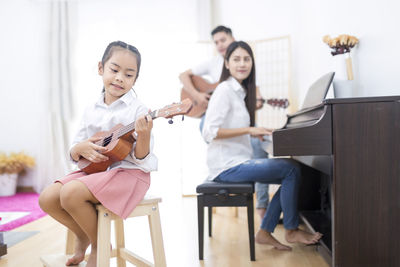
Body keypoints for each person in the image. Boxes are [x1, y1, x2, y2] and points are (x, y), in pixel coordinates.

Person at [38, 41, 157, 267]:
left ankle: (99, 245)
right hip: (97, 171)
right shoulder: (91, 109)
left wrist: (144, 135)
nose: (120, 78)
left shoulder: (138, 110)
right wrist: (79, 148)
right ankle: (82, 233)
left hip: (129, 174)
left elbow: (142, 159)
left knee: (71, 193)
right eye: (114, 70)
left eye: (129, 74)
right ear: (101, 68)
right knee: (48, 198)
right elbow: (75, 149)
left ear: (135, 79)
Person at [202, 41, 322, 250]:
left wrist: (262, 134)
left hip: (238, 161)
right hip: (226, 166)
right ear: (227, 64)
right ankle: (290, 230)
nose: (242, 64)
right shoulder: (224, 90)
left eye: (246, 59)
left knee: (291, 171)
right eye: (236, 59)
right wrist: (249, 130)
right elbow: (209, 133)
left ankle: (266, 232)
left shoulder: (239, 93)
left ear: (252, 63)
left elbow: (238, 130)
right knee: (291, 169)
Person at [179, 25, 270, 217]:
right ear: (228, 63)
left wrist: (257, 103)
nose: (220, 45)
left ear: (232, 38)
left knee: (260, 148)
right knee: (209, 129)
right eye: (216, 42)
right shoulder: (213, 64)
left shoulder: (243, 65)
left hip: (234, 125)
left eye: (223, 40)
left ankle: (262, 205)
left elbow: (255, 94)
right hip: (213, 119)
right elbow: (183, 75)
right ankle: (221, 174)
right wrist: (197, 95)